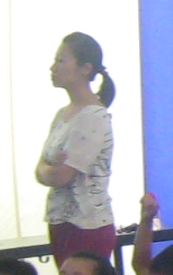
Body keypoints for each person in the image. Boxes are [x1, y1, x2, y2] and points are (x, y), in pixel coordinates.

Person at [36, 32, 118, 260]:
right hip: (61, 222)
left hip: (86, 226)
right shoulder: (62, 114)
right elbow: (41, 169)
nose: (53, 67)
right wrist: (47, 170)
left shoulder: (93, 116)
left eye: (61, 61)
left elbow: (61, 176)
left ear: (85, 68)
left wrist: (50, 171)